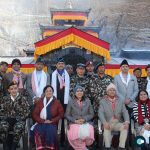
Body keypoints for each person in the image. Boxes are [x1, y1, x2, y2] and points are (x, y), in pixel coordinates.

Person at [31, 85, 64, 150]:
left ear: (53, 92)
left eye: (50, 91)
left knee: (50, 131)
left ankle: (50, 148)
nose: (49, 92)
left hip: (52, 123)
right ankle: (41, 148)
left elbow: (61, 114)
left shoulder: (57, 102)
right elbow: (34, 114)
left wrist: (52, 120)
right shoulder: (40, 102)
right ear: (44, 93)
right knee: (37, 130)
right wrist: (42, 121)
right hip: (41, 122)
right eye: (47, 91)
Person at [98, 83, 129, 150]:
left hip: (118, 122)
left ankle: (121, 147)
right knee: (106, 128)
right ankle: (108, 147)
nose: (112, 91)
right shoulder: (103, 101)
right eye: (110, 90)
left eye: (113, 90)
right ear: (107, 92)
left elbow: (125, 112)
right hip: (108, 122)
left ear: (115, 92)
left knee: (125, 127)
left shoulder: (120, 101)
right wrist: (104, 122)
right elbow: (100, 113)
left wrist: (126, 121)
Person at [1, 81, 30, 150]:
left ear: (17, 89)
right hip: (7, 120)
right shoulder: (5, 99)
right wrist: (4, 117)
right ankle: (5, 145)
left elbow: (27, 112)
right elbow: (1, 111)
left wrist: (21, 118)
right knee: (2, 126)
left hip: (18, 120)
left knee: (18, 127)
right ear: (8, 90)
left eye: (15, 88)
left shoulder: (23, 99)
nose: (13, 90)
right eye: (11, 89)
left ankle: (14, 146)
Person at [65, 85, 94, 150]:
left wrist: (84, 119)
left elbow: (92, 114)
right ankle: (81, 148)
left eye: (81, 91)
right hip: (74, 122)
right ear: (75, 93)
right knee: (75, 130)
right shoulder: (71, 102)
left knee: (90, 129)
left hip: (85, 122)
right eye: (77, 91)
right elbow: (67, 115)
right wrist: (75, 121)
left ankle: (84, 145)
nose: (79, 92)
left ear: (83, 93)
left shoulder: (88, 101)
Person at [51, 57, 70, 146]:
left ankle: (63, 139)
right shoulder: (53, 75)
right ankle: (55, 139)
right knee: (55, 118)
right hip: (55, 100)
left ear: (64, 65)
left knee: (64, 118)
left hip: (65, 101)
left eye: (62, 63)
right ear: (56, 65)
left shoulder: (67, 75)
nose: (61, 65)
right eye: (59, 63)